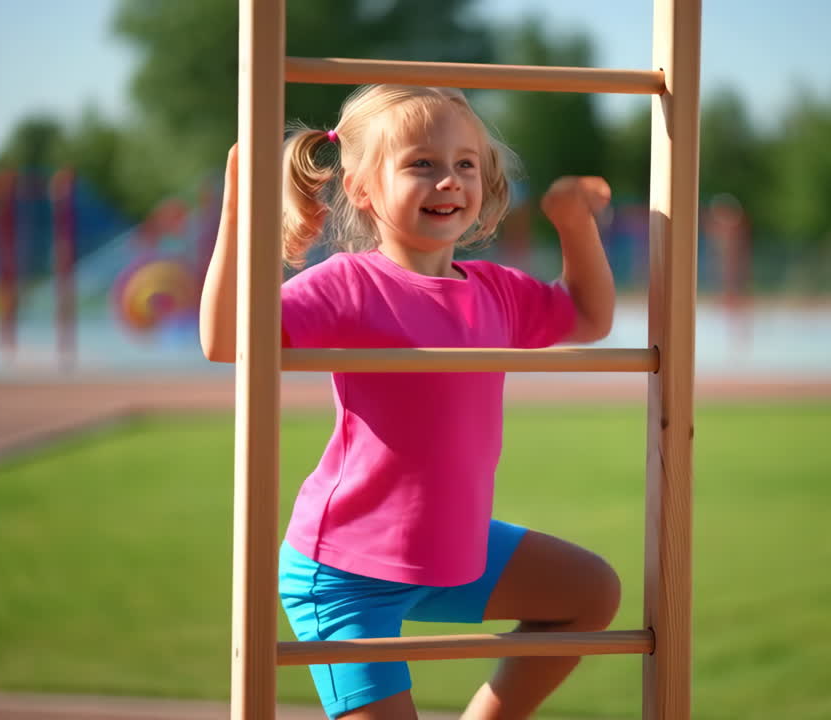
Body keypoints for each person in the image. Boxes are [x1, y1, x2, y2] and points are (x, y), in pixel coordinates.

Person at [199, 84, 620, 720]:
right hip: (344, 570)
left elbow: (587, 317)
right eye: (421, 163)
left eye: (464, 164)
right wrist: (238, 207)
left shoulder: (497, 292)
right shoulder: (350, 284)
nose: (447, 180)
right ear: (363, 188)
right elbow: (227, 340)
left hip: (447, 548)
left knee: (589, 592)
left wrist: (573, 222)